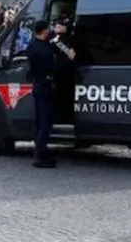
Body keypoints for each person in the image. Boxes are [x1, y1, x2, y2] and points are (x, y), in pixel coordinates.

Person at [27, 19, 74, 168]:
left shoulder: (33, 45)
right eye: (49, 29)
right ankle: (40, 155)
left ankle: (40, 151)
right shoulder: (45, 51)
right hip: (46, 88)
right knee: (46, 122)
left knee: (39, 122)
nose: (51, 30)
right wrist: (68, 59)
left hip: (37, 86)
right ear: (44, 31)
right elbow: (55, 69)